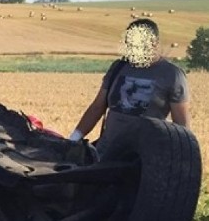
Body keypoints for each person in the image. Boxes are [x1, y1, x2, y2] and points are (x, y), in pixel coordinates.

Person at [69, 18, 190, 148]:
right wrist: (73, 139)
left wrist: (182, 157)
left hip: (145, 156)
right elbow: (97, 107)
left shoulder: (172, 75)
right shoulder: (118, 68)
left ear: (154, 43)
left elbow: (181, 125)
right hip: (107, 152)